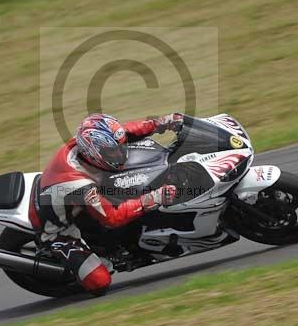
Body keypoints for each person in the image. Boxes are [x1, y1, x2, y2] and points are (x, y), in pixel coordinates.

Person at [30, 112, 183, 294]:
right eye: (113, 152)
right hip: (58, 229)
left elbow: (127, 131)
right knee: (100, 282)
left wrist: (161, 123)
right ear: (94, 154)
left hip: (66, 198)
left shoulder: (94, 140)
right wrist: (154, 198)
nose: (121, 153)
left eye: (120, 148)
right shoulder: (78, 184)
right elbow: (112, 218)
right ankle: (61, 251)